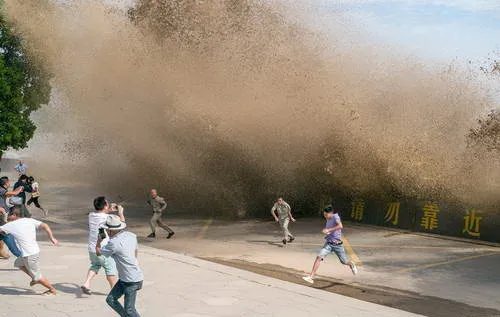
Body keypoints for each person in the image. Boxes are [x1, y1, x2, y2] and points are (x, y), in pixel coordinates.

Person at [0, 206, 59, 295]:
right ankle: (34, 278)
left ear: (15, 215)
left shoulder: (11, 225)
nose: (8, 216)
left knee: (38, 277)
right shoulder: (29, 220)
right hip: (33, 251)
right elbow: (45, 225)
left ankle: (52, 289)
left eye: (10, 215)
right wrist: (52, 238)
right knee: (18, 264)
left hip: (29, 255)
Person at [96, 214, 144, 317]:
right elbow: (135, 252)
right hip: (127, 278)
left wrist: (99, 240)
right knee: (111, 299)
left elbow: (98, 252)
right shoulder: (131, 235)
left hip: (131, 280)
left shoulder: (114, 243)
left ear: (110, 231)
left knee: (130, 309)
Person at [302, 205, 357, 284]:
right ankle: (311, 277)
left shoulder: (335, 217)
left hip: (337, 245)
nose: (325, 216)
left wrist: (328, 229)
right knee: (319, 257)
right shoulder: (328, 218)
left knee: (344, 261)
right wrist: (327, 232)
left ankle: (351, 264)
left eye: (326, 214)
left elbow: (340, 226)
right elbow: (331, 230)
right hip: (329, 244)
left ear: (331, 213)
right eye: (324, 214)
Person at [81, 196, 124, 295]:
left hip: (92, 248)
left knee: (95, 265)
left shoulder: (91, 215)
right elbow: (121, 224)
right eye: (107, 203)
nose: (108, 204)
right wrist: (120, 212)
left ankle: (86, 283)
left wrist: (109, 209)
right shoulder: (107, 218)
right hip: (103, 248)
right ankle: (114, 291)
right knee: (110, 268)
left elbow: (102, 214)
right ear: (104, 206)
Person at [0, 177, 23, 258]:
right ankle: (22, 256)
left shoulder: (2, 189)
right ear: (5, 183)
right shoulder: (1, 189)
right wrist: (19, 189)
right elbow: (14, 194)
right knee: (7, 235)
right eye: (8, 182)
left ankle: (1, 251)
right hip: (1, 218)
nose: (9, 183)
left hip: (2, 216)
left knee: (2, 235)